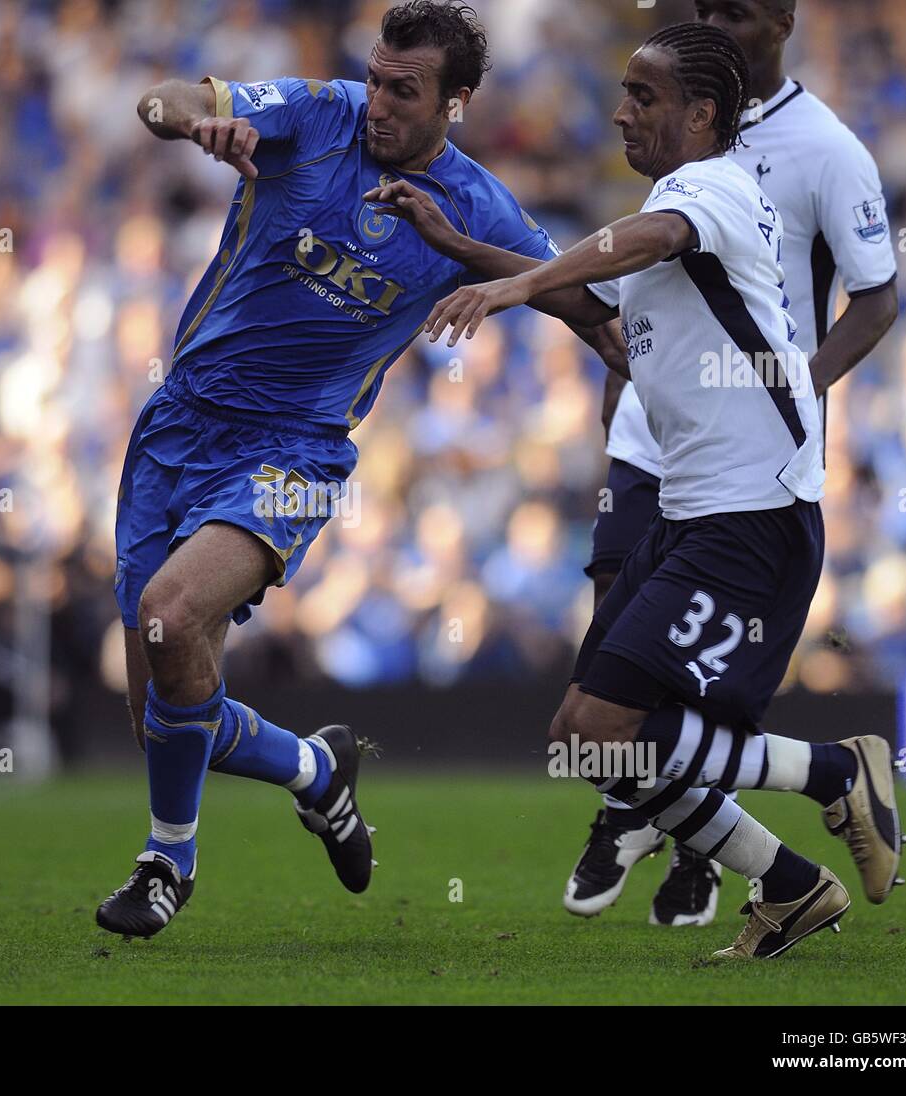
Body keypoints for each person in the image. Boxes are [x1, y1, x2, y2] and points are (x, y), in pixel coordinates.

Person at [97, 0, 626, 939]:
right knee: (162, 704)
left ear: (455, 103)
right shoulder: (316, 111)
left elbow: (586, 305)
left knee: (169, 617)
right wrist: (192, 120)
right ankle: (316, 770)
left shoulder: (476, 206)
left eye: (403, 90)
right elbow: (162, 101)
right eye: (375, 78)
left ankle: (165, 862)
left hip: (297, 451)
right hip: (178, 427)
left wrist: (645, 369)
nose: (377, 102)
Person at [421, 21, 903, 959]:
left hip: (752, 513)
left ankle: (837, 773)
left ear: (702, 113)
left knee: (607, 730)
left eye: (643, 97)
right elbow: (599, 305)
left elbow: (639, 239)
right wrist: (466, 248)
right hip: (691, 509)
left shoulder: (709, 191)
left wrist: (515, 292)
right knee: (586, 740)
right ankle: (795, 884)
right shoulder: (679, 209)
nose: (619, 111)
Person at [565, 0, 901, 928]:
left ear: (785, 20)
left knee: (641, 706)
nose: (717, 21)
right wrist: (619, 373)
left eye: (738, 10)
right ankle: (656, 816)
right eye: (703, 6)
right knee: (601, 698)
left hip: (748, 461)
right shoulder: (672, 135)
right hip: (652, 445)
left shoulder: (826, 150)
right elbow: (640, 285)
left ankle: (705, 847)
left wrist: (796, 397)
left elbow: (875, 303)